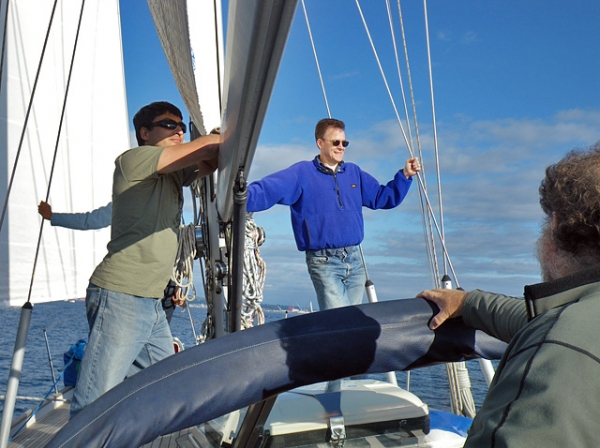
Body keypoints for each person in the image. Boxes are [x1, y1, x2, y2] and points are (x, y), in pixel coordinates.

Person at [417, 142, 600, 448]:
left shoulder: (560, 354)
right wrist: (468, 303)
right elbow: (537, 321)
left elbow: (556, 336)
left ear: (555, 226)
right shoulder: (575, 322)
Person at [69, 101, 219, 417]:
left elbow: (212, 160)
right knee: (93, 402)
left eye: (181, 125)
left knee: (167, 383)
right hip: (121, 295)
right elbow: (206, 146)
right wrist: (223, 132)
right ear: (145, 133)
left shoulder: (174, 174)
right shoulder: (133, 160)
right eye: (169, 124)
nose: (178, 129)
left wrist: (222, 144)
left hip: (150, 300)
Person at [246, 118, 420, 311]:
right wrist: (240, 199)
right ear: (320, 143)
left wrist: (405, 176)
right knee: (340, 322)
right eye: (335, 142)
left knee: (352, 323)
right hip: (324, 262)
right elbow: (269, 189)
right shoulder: (302, 173)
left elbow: (382, 197)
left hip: (354, 261)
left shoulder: (354, 173)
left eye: (344, 143)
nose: (341, 147)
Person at [38, 201, 181, 322]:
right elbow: (92, 220)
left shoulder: (144, 200)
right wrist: (53, 217)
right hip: (142, 287)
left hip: (160, 286)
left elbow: (180, 243)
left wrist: (179, 283)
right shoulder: (133, 200)